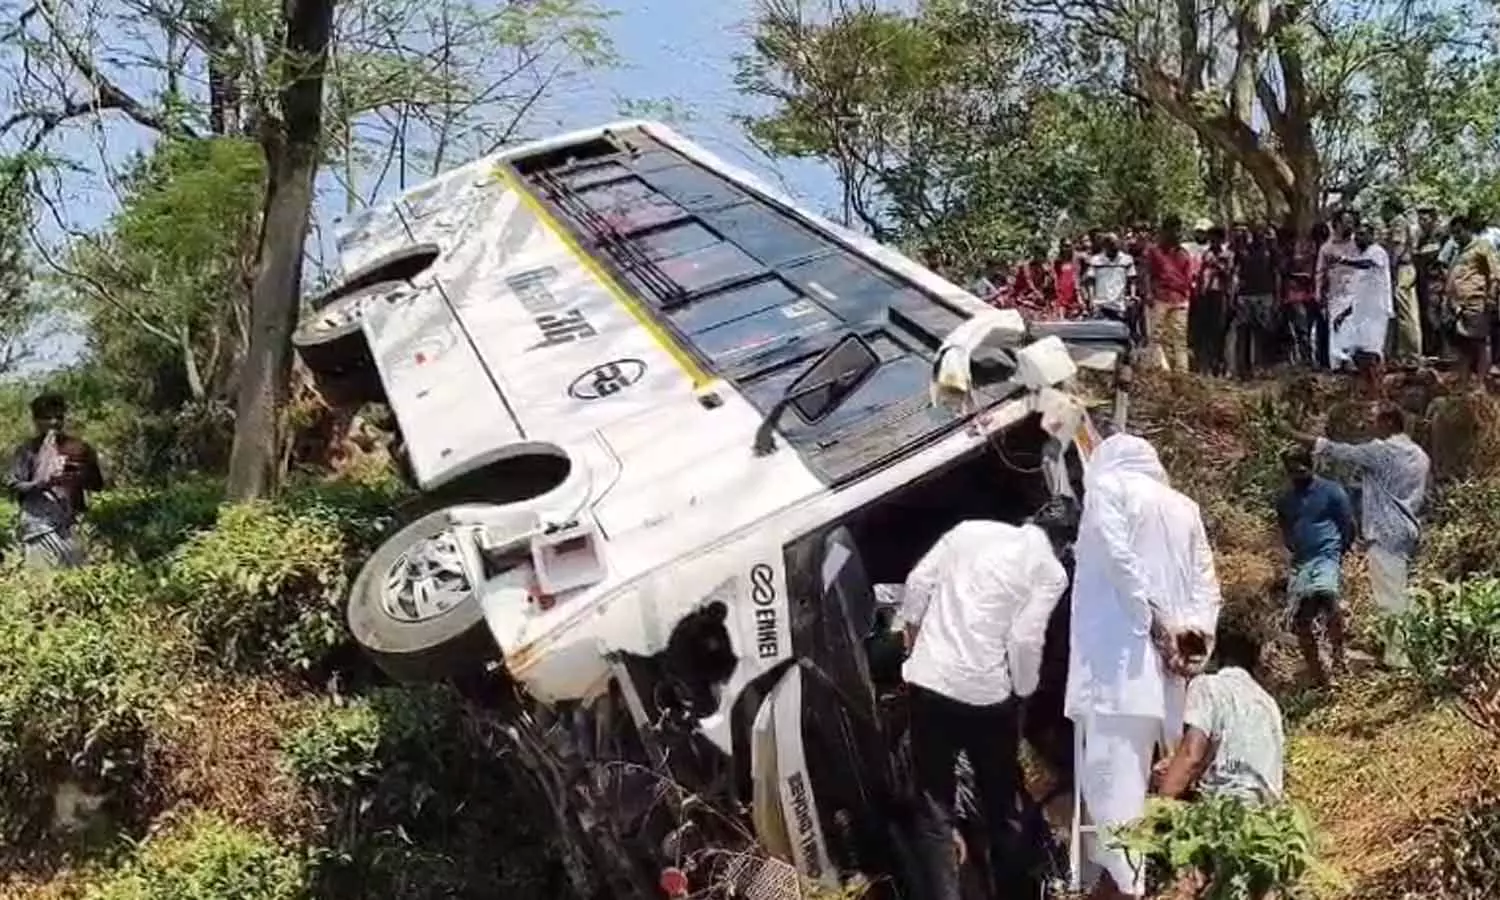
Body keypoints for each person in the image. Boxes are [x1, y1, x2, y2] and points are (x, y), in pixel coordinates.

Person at [1066, 434, 1222, 900]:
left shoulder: (1107, 490)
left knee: (1113, 792)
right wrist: (1192, 642)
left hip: (1117, 673)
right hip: (1174, 677)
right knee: (1174, 784)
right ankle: (1183, 882)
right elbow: (1206, 587)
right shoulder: (1184, 507)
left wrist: (1153, 623)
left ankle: (1131, 889)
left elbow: (1120, 561)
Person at [898, 517, 1070, 900]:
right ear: (1058, 546)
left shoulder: (968, 531)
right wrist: (1022, 691)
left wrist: (913, 645)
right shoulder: (1050, 571)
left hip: (930, 684)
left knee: (934, 809)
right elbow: (1026, 638)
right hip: (988, 699)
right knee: (1002, 806)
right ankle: (1015, 893)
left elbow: (916, 584)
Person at [1296, 405, 1429, 668]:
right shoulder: (1420, 455)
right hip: (1408, 529)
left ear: (1389, 422)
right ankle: (1413, 646)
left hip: (1385, 531)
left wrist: (1290, 432)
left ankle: (1398, 659)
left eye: (1375, 421)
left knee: (1389, 597)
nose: (1372, 428)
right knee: (1404, 593)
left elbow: (1339, 451)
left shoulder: (1382, 451)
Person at [1152, 614, 1285, 805]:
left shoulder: (1208, 686)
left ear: (1215, 654)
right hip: (1268, 812)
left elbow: (1191, 755)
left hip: (1224, 805)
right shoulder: (1268, 702)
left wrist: (1159, 805)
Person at [1276, 447, 1356, 687]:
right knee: (1301, 618)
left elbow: (1348, 525)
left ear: (1310, 465)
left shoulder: (1332, 492)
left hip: (1326, 555)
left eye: (1301, 466)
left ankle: (1340, 656)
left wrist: (1339, 551)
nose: (1298, 472)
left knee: (1328, 598)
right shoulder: (1285, 500)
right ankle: (1319, 673)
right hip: (1302, 562)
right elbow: (1286, 529)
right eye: (1292, 469)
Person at [5, 393, 105, 569]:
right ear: (36, 420)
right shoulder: (27, 450)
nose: (53, 422)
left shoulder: (79, 448)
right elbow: (14, 484)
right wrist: (41, 484)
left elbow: (97, 484)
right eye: (46, 417)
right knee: (40, 580)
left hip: (71, 523)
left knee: (76, 576)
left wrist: (80, 477)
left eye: (58, 417)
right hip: (38, 524)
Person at [1324, 218, 1392, 395]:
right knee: (1357, 352)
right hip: (1361, 314)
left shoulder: (1377, 252)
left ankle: (1378, 391)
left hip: (1376, 312)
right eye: (1357, 235)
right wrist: (1345, 313)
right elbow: (1360, 292)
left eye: (1362, 234)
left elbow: (1367, 264)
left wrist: (1343, 260)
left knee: (1372, 354)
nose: (1358, 238)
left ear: (1372, 235)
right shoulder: (1362, 255)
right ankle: (1369, 390)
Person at [1443, 213, 1500, 389]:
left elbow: (1495, 274)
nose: (1456, 237)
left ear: (1468, 230)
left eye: (1459, 232)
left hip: (1476, 301)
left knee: (1480, 342)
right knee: (1463, 345)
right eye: (1453, 234)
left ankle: (1481, 383)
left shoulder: (1483, 246)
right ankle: (1464, 382)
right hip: (1457, 304)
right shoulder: (1459, 250)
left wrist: (1491, 297)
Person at [1142, 216, 1196, 373]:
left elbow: (1188, 277)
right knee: (1157, 336)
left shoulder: (1184, 253)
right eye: (1173, 229)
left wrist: (1187, 296)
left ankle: (1182, 372)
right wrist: (1148, 293)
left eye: (1179, 229)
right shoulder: (1153, 251)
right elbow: (1146, 273)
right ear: (1165, 231)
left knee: (1179, 337)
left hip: (1180, 299)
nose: (1177, 233)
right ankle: (1162, 371)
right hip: (1160, 297)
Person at [1232, 224, 1281, 377]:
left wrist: (1277, 297)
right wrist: (1234, 296)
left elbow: (1276, 274)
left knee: (1264, 332)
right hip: (1246, 295)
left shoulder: (1271, 252)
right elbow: (1236, 274)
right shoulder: (1242, 251)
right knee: (1243, 332)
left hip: (1265, 295)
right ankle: (1243, 368)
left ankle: (1263, 366)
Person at [1193, 226, 1235, 376]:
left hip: (1220, 294)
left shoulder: (1228, 254)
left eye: (1215, 238)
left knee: (1219, 330)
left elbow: (1228, 273)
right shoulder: (1206, 253)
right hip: (1206, 294)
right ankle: (1206, 364)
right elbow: (1200, 274)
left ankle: (1220, 364)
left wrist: (1216, 264)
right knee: (1206, 330)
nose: (1212, 241)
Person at [1282, 226, 1320, 366]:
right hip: (1294, 297)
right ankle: (1301, 358)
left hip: (1307, 297)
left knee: (1305, 330)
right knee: (1299, 330)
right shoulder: (1288, 257)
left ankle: (1306, 358)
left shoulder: (1311, 255)